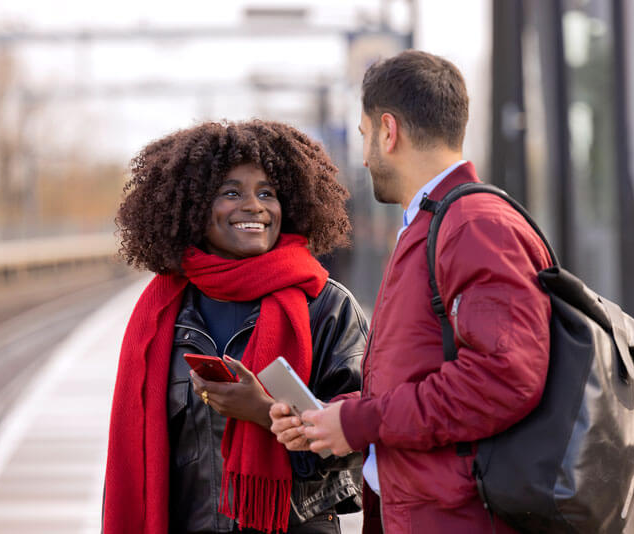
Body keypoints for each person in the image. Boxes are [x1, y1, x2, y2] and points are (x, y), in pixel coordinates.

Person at [270, 50, 552, 533]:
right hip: (425, 509)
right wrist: (338, 418)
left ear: (388, 130)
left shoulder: (474, 227)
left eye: (364, 137)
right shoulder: (437, 224)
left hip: (458, 517)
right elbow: (423, 373)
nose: (363, 157)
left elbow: (504, 379)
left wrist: (361, 423)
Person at [103, 120, 369, 534]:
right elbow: (134, 459)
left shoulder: (327, 307)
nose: (255, 206)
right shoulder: (160, 317)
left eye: (268, 193)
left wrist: (264, 413)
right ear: (191, 207)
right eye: (232, 193)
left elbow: (363, 437)